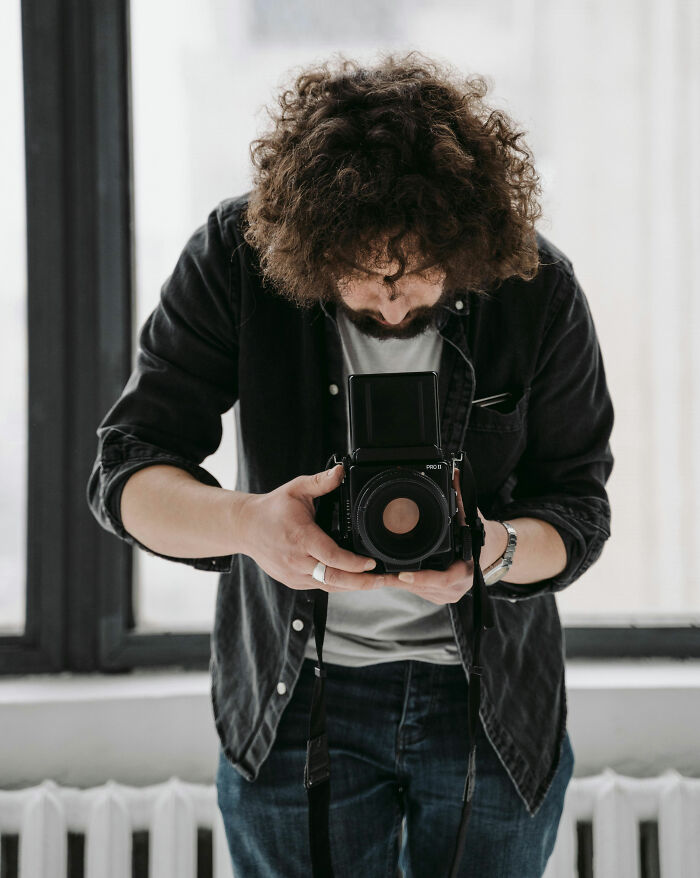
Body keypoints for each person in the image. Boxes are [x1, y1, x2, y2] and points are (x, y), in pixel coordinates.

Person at [86, 50, 614, 877]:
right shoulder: (235, 257)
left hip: (490, 705)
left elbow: (579, 506)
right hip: (294, 696)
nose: (394, 302)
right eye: (364, 280)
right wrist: (250, 527)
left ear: (467, 241)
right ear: (306, 251)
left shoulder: (534, 286)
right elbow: (125, 471)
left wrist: (493, 554)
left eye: (419, 274)